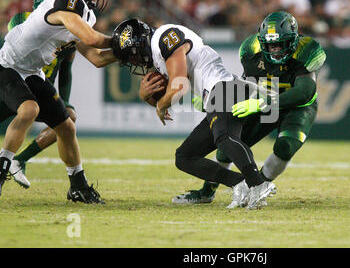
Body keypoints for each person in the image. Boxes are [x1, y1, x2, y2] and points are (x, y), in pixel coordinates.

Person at [111, 18, 275, 209]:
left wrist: (160, 106)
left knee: (224, 138)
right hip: (218, 92)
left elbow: (179, 85)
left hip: (224, 87)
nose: (135, 61)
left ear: (141, 43)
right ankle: (239, 183)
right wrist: (147, 98)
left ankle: (257, 183)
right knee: (184, 157)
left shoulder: (165, 37)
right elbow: (166, 96)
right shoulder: (159, 53)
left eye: (133, 55)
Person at [171, 11, 326, 204]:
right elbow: (246, 84)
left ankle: (258, 187)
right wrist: (213, 101)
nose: (275, 49)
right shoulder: (251, 50)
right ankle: (207, 191)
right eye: (271, 44)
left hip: (297, 107)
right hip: (264, 102)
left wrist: (261, 103)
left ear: (293, 41)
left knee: (285, 146)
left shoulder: (306, 51)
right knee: (228, 145)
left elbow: (304, 92)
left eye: (280, 44)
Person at [0, 0, 117, 203]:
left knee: (66, 126)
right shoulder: (66, 1)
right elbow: (93, 39)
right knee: (29, 108)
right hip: (6, 65)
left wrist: (129, 50)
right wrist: (122, 41)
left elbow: (96, 57)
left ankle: (78, 185)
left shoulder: (85, 13)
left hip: (30, 71)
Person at [5, 0, 77, 189]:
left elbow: (66, 69)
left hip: (41, 89)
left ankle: (20, 159)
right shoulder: (23, 21)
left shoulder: (68, 31)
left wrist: (66, 100)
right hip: (14, 83)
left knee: (68, 118)